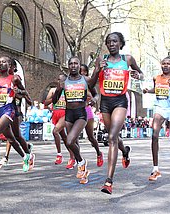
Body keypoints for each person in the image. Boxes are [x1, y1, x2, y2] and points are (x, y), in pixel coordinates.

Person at [90, 32, 144, 194]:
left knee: (112, 137)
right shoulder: (101, 60)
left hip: (120, 101)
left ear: (121, 43)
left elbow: (141, 74)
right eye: (108, 42)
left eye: (114, 41)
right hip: (105, 102)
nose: (111, 44)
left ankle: (108, 181)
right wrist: (97, 70)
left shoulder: (127, 60)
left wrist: (137, 75)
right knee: (113, 135)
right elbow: (91, 84)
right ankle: (125, 151)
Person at [0, 56, 34, 181]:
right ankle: (26, 156)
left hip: (10, 111)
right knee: (10, 138)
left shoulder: (14, 78)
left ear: (10, 66)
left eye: (4, 62)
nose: (1, 64)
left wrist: (18, 92)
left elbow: (24, 93)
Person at [143, 57, 170, 181]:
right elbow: (156, 89)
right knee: (154, 135)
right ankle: (155, 169)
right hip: (159, 108)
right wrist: (148, 91)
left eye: (168, 64)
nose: (165, 65)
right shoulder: (156, 78)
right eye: (163, 64)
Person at [53, 56, 94, 184]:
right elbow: (54, 101)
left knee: (69, 141)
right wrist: (58, 90)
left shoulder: (85, 79)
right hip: (69, 114)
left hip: (81, 114)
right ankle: (82, 169)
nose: (73, 66)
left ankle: (81, 162)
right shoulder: (64, 81)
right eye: (71, 64)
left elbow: (96, 93)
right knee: (73, 143)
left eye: (76, 63)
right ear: (68, 66)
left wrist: (94, 100)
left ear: (79, 65)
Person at [0, 58, 34, 168]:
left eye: (11, 66)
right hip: (4, 110)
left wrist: (20, 94)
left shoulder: (16, 79)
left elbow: (23, 93)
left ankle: (26, 151)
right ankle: (4, 158)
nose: (8, 67)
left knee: (16, 135)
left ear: (13, 68)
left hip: (15, 110)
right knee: (5, 135)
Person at [44, 74, 75, 168]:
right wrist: (55, 95)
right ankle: (72, 157)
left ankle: (59, 154)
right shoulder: (53, 90)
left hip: (65, 114)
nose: (59, 82)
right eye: (58, 80)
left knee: (55, 131)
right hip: (55, 113)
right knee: (65, 138)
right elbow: (45, 103)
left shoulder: (69, 90)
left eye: (62, 81)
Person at [80, 64, 104, 167]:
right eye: (79, 71)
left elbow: (96, 94)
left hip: (86, 110)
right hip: (74, 110)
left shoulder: (88, 81)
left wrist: (94, 99)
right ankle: (76, 159)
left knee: (90, 136)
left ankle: (98, 152)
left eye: (83, 71)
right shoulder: (71, 81)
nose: (81, 73)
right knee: (73, 136)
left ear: (86, 72)